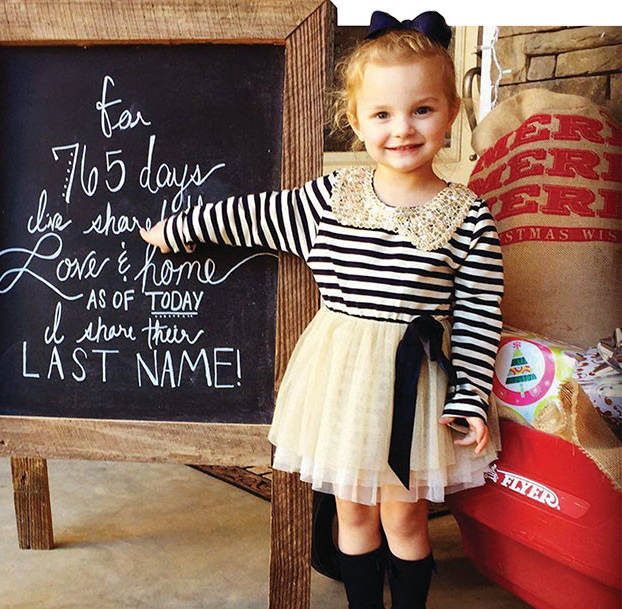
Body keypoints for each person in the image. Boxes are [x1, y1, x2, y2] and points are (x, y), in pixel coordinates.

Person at [140, 10, 504, 609]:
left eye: (421, 110)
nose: (402, 129)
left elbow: (479, 315)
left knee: (405, 519)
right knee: (353, 514)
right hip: (342, 389)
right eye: (382, 114)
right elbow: (253, 216)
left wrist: (469, 395)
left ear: (451, 113)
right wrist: (180, 229)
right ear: (355, 121)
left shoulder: (469, 217)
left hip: (415, 391)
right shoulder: (332, 198)